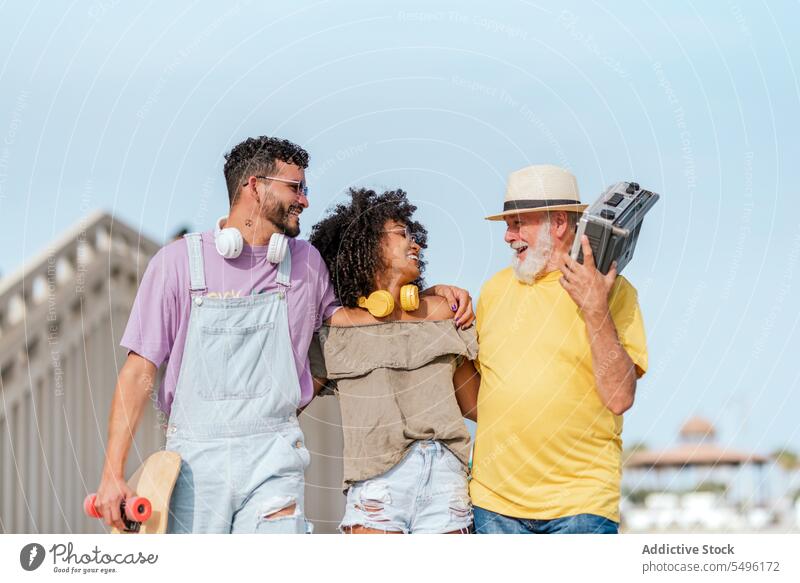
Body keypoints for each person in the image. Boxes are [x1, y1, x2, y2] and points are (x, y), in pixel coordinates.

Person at [92, 136, 473, 533]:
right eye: (295, 187)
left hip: (276, 459)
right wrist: (111, 474)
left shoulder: (306, 263)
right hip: (194, 466)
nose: (305, 199)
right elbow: (138, 372)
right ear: (253, 186)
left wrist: (428, 298)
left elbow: (351, 323)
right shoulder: (177, 264)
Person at [465, 164, 649, 534]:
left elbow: (619, 397)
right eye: (507, 224)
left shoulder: (616, 292)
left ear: (560, 223)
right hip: (494, 505)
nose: (508, 236)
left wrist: (595, 307)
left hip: (580, 505)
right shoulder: (493, 291)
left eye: (518, 223)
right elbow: (478, 400)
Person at [308, 187, 478, 534]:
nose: (415, 245)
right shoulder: (335, 331)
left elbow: (480, 407)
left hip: (446, 483)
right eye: (403, 234)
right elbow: (288, 400)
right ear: (366, 244)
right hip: (376, 487)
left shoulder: (445, 313)